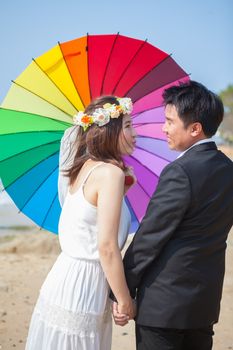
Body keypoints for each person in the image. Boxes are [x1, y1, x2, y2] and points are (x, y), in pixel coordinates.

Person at [113, 81, 233, 350]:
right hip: (204, 304)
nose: (163, 129)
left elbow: (150, 238)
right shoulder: (228, 170)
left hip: (163, 305)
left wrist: (120, 291)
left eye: (169, 121)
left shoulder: (180, 172)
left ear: (194, 128)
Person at [25, 95, 137, 350]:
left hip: (65, 277)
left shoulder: (86, 166)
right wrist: (124, 299)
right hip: (85, 284)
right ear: (110, 131)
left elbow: (88, 220)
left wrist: (122, 191)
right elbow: (107, 247)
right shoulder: (110, 173)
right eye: (128, 126)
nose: (135, 133)